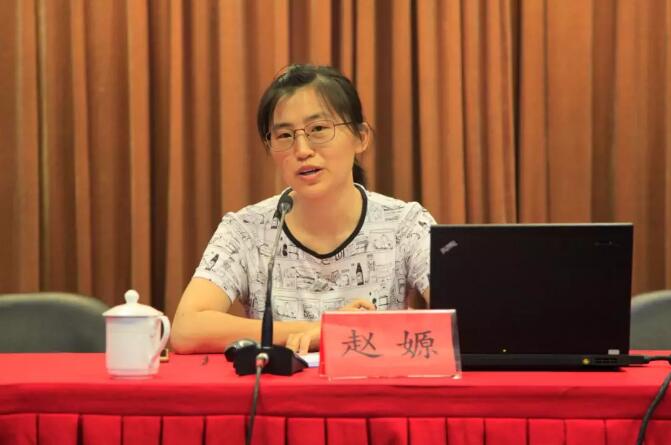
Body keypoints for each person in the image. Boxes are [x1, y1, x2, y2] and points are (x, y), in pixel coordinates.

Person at [171, 64, 436, 355]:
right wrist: (323, 329)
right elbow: (187, 329)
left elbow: (463, 322)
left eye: (318, 129)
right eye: (284, 136)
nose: (302, 150)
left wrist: (342, 331)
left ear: (361, 137)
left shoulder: (406, 224)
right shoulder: (246, 229)